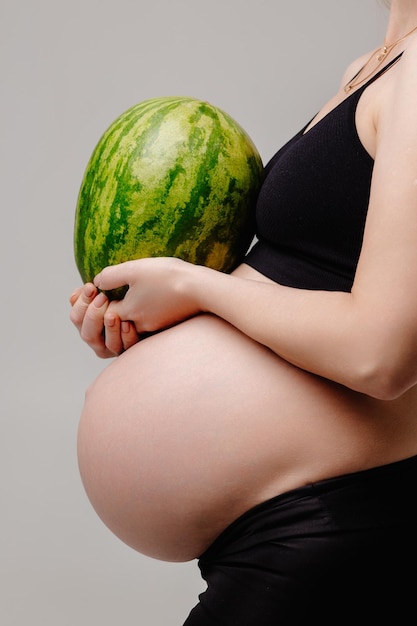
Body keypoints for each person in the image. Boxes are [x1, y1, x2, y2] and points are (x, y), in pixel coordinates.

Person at [70, 0, 417, 622]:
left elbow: (381, 353)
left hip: (333, 526)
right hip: (289, 529)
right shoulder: (373, 68)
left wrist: (195, 287)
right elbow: (309, 279)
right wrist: (156, 311)